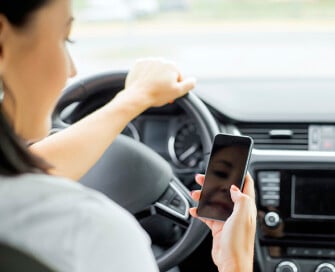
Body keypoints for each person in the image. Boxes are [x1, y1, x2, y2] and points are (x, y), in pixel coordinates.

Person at [0, 0, 257, 271]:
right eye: (65, 39)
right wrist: (235, 261)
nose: (71, 71)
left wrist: (135, 98)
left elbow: (28, 171)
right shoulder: (92, 233)